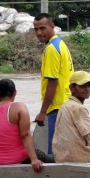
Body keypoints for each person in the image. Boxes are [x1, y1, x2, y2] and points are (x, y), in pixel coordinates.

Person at [33, 13, 74, 157]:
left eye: (42, 28)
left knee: (54, 153)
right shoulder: (60, 44)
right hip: (66, 104)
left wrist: (43, 111)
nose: (39, 33)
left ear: (52, 27)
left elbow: (52, 82)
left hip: (56, 107)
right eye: (36, 29)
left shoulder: (51, 49)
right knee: (63, 150)